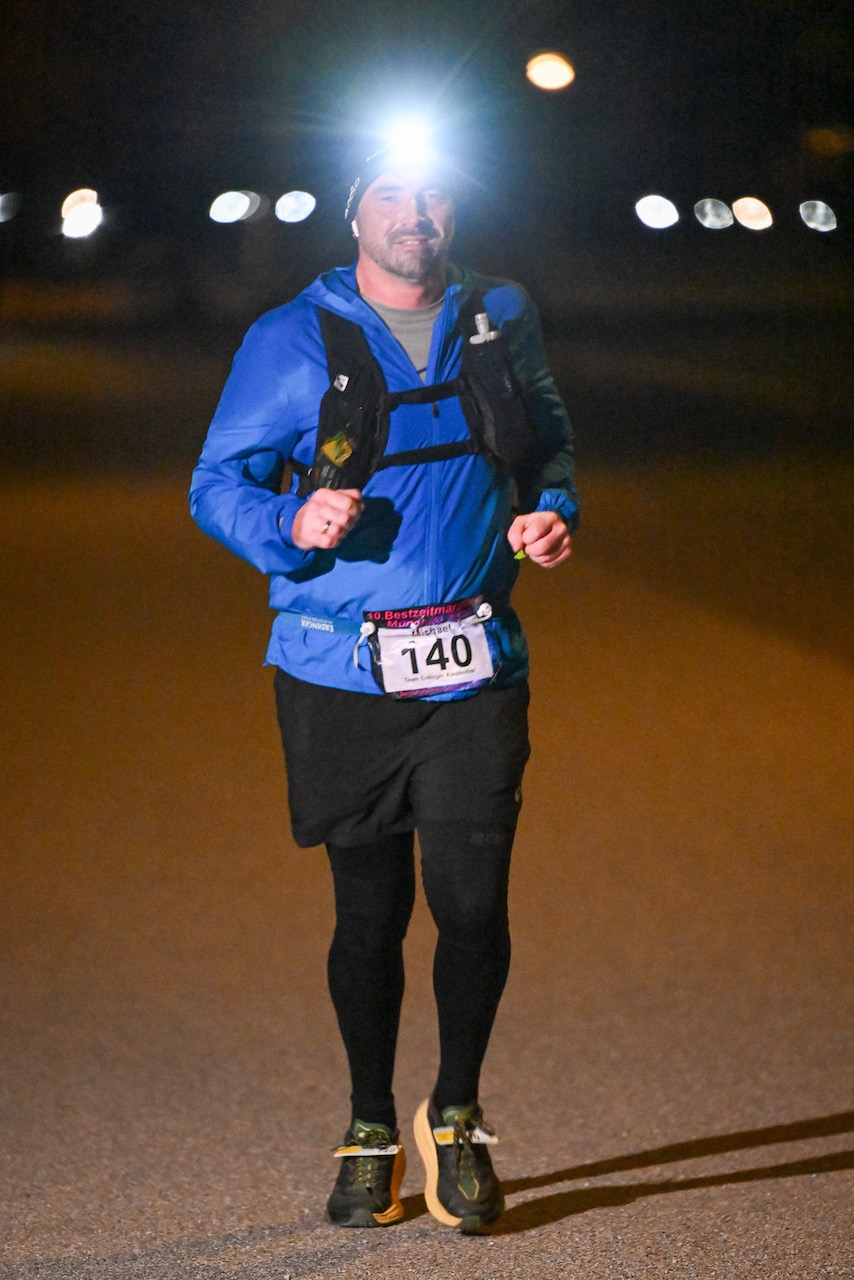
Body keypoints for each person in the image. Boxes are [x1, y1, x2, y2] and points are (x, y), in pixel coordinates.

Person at [189, 131, 579, 1235]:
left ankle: (453, 1111)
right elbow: (215, 482)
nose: (417, 212)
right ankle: (368, 1124)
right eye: (393, 193)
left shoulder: (501, 313)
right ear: (356, 209)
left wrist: (555, 517)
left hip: (472, 660)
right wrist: (286, 519)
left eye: (435, 192)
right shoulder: (288, 339)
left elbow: (548, 446)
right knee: (369, 914)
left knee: (471, 902)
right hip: (336, 669)